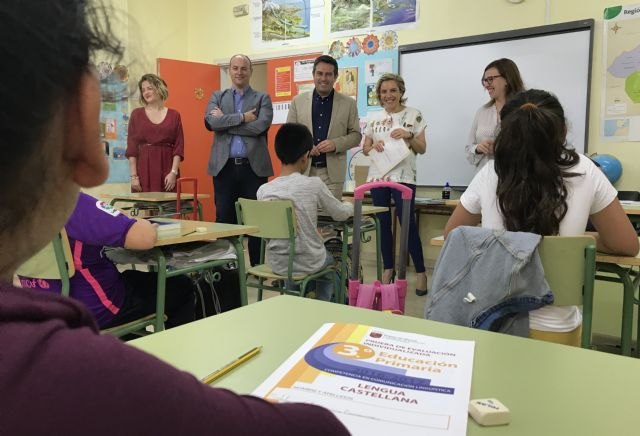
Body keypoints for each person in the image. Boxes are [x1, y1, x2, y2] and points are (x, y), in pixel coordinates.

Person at [0, 1, 348, 433]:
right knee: (187, 282)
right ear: (82, 129)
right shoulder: (99, 383)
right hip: (120, 300)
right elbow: (322, 428)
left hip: (243, 182)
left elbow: (244, 127)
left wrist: (228, 122)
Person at [445, 89, 639, 345]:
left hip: (492, 322)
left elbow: (453, 235)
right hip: (558, 330)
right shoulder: (584, 169)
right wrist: (581, 240)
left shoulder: (491, 171)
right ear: (562, 131)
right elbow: (626, 244)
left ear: (506, 130)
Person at [19, 192, 196, 329]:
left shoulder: (14, 206)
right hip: (94, 308)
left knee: (131, 277)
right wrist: (144, 225)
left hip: (43, 306)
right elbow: (144, 237)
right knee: (181, 286)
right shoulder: (71, 202)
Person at [257, 123, 354, 301]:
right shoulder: (314, 184)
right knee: (331, 264)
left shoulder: (263, 190)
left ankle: (294, 297)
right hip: (309, 261)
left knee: (293, 259)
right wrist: (351, 204)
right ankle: (323, 305)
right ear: (305, 157)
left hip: (277, 263)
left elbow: (268, 233)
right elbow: (339, 213)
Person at [362, 73, 429, 297]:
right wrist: (374, 145)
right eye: (384, 92)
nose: (388, 95)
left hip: (405, 177)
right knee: (382, 224)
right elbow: (365, 148)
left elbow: (422, 148)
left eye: (393, 90)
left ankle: (420, 272)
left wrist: (409, 135)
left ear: (401, 92)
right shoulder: (373, 117)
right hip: (379, 176)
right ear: (379, 95)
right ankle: (388, 268)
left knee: (407, 224)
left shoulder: (414, 114)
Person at [204, 54, 273, 266]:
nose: (239, 72)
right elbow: (210, 123)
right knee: (224, 220)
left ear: (250, 71)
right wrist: (242, 118)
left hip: (253, 170)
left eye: (244, 68)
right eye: (235, 68)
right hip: (224, 169)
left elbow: (260, 126)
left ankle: (258, 268)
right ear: (229, 71)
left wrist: (224, 121)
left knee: (255, 222)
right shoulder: (217, 96)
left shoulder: (263, 98)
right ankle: (227, 268)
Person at [287, 55, 362, 199]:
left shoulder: (348, 104)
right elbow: (289, 135)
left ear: (335, 77)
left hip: (332, 176)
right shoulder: (298, 101)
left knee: (330, 219)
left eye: (328, 74)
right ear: (313, 75)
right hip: (303, 172)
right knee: (303, 218)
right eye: (320, 73)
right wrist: (306, 147)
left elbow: (356, 136)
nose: (323, 78)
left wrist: (336, 144)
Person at [126, 73, 185, 192]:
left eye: (149, 88)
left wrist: (173, 173)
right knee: (148, 207)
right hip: (144, 169)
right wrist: (133, 177)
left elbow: (179, 147)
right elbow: (132, 149)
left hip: (168, 171)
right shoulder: (136, 115)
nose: (146, 92)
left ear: (159, 88)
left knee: (169, 208)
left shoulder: (174, 115)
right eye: (143, 90)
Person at [466, 58, 524, 167]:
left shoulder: (524, 110)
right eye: (485, 80)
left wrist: (501, 149)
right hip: (485, 180)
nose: (487, 84)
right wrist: (478, 149)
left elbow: (534, 149)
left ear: (507, 79)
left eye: (491, 79)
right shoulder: (482, 112)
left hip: (516, 180)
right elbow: (469, 149)